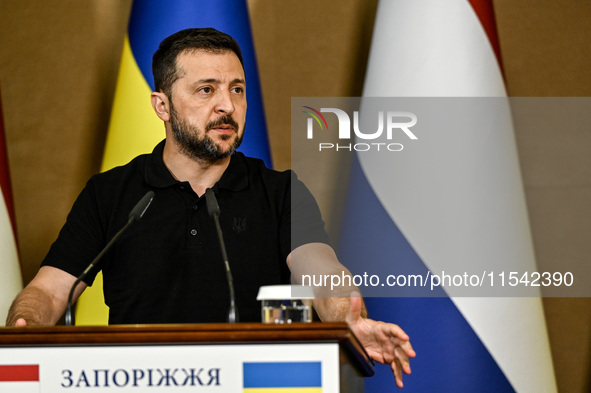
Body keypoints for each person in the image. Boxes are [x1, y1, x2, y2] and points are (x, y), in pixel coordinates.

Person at [6, 28, 415, 387]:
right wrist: (25, 327)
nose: (227, 106)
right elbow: (49, 289)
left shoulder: (279, 190)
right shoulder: (110, 193)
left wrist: (346, 315)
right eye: (207, 90)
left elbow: (322, 271)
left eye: (237, 89)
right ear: (161, 106)